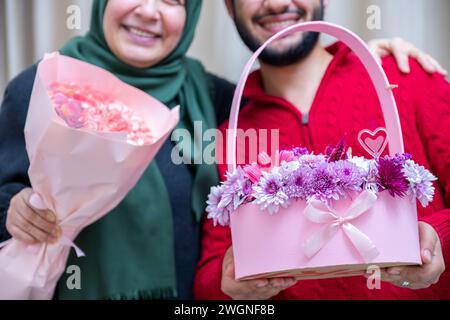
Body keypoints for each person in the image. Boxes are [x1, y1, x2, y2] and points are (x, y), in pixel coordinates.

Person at [0, 0, 444, 300]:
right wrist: (14, 212)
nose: (149, 11)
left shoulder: (212, 99)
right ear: (229, 8)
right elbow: (215, 270)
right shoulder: (46, 88)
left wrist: (433, 242)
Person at [194, 0, 450, 300]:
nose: (276, 3)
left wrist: (436, 235)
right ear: (229, 7)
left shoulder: (402, 76)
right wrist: (228, 283)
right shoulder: (233, 135)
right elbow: (210, 276)